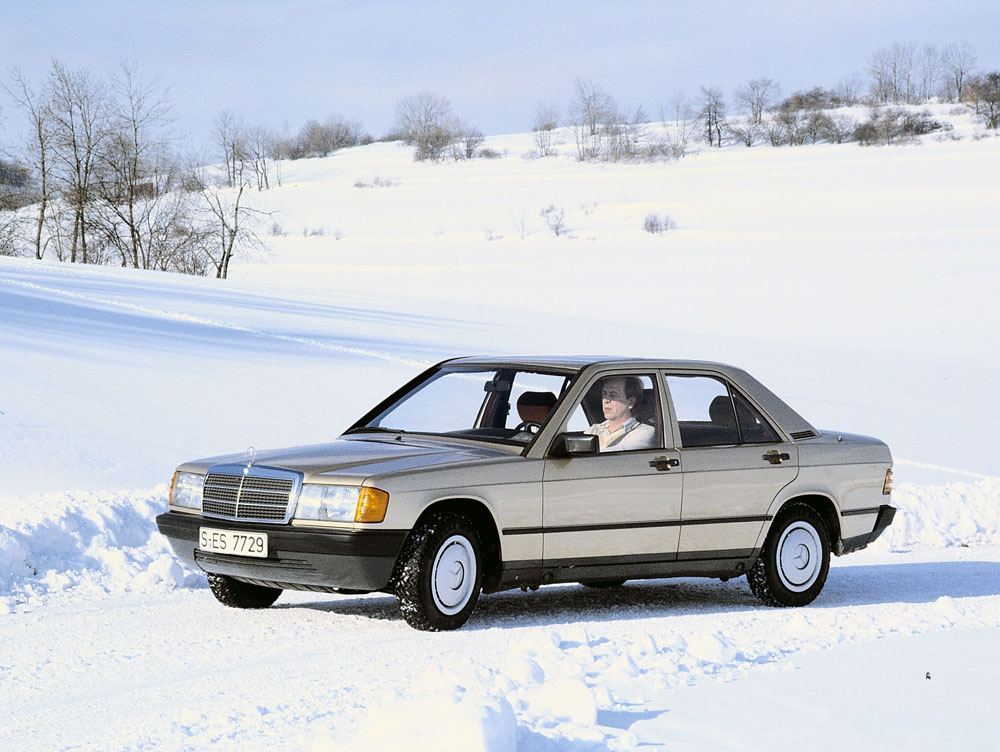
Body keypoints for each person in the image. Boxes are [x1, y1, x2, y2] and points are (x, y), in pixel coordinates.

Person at [584, 375, 656, 452]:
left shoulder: (645, 433)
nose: (606, 400)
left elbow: (616, 454)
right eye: (604, 393)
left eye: (613, 394)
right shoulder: (594, 430)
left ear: (630, 402)